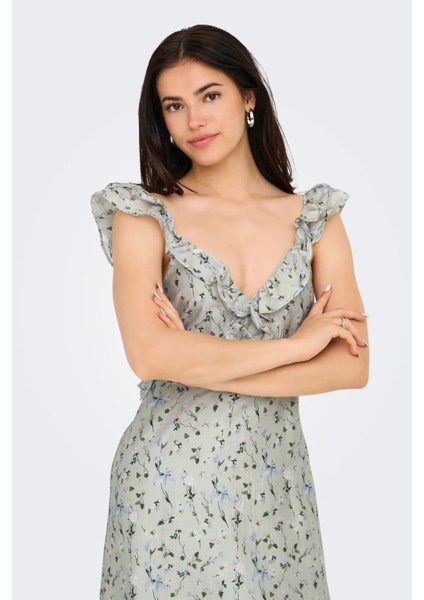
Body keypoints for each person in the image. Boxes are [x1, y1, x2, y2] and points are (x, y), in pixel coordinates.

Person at [90, 23, 369, 600]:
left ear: (248, 98)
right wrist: (295, 347)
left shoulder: (316, 218)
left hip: (278, 488)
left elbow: (351, 365)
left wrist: (197, 360)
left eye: (209, 95)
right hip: (166, 484)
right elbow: (149, 354)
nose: (194, 119)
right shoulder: (142, 215)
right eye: (174, 105)